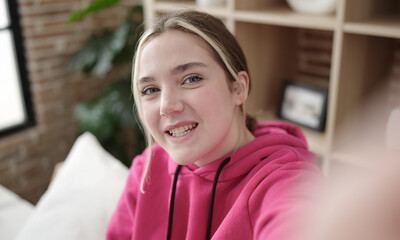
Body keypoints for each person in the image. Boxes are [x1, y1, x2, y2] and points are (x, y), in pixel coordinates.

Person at [106, 10, 322, 240]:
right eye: (150, 90)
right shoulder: (145, 171)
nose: (167, 106)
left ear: (238, 88)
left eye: (191, 79)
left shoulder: (286, 181)